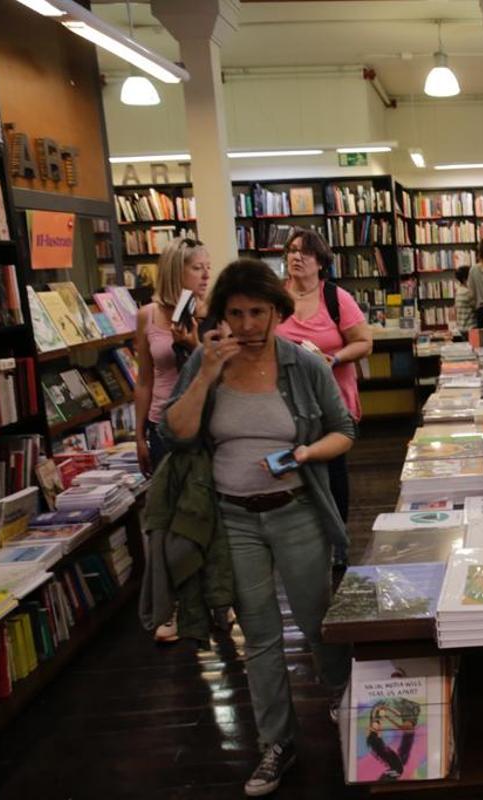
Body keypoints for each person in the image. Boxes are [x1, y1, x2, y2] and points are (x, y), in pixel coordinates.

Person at [161, 259, 354, 797]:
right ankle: (277, 742)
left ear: (277, 312)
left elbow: (344, 430)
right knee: (260, 635)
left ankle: (343, 704)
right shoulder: (207, 361)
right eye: (235, 313)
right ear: (220, 315)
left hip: (295, 508)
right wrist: (204, 375)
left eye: (257, 312)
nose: (246, 325)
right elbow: (174, 433)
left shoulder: (303, 364)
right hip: (232, 517)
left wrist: (307, 452)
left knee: (317, 620)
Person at [133, 238, 211, 643]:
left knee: (204, 513)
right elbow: (144, 379)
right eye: (198, 267)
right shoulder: (147, 316)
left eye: (207, 267)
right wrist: (139, 434)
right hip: (162, 429)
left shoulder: (210, 316)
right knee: (167, 520)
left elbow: (218, 369)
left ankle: (216, 599)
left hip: (202, 426)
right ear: (176, 271)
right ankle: (173, 607)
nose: (205, 275)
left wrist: (193, 343)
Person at [275, 228, 372, 537]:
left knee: (332, 473)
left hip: (330, 401)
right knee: (292, 471)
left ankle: (337, 537)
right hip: (285, 403)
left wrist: (334, 359)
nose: (296, 257)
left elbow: (364, 343)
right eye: (291, 250)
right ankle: (299, 537)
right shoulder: (275, 297)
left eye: (304, 252)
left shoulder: (335, 298)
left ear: (320, 261)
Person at [455, 265, 476, 333]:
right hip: (470, 328)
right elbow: (477, 307)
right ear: (465, 279)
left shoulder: (459, 291)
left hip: (462, 327)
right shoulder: (467, 293)